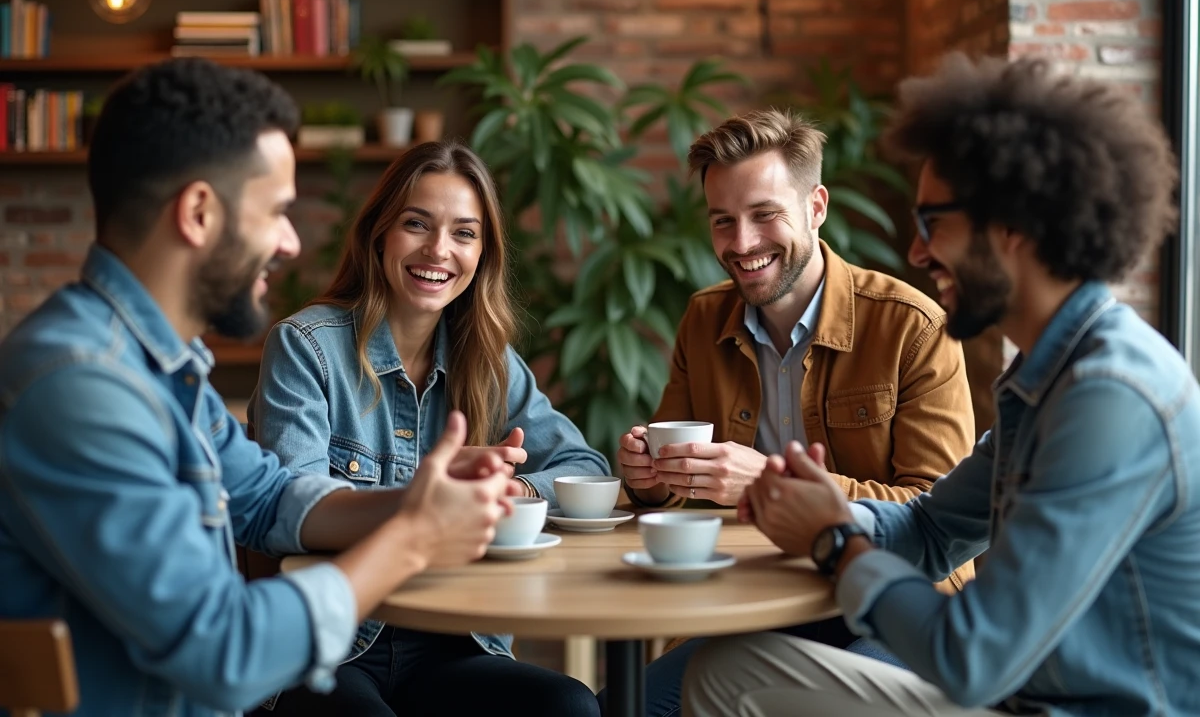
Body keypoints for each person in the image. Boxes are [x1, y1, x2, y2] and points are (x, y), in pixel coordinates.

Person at [683, 54, 1200, 717]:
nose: (918, 252)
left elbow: (974, 657)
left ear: (1009, 226)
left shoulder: (1111, 396)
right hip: (1017, 697)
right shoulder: (1044, 375)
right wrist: (831, 510)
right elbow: (933, 525)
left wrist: (835, 543)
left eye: (933, 224)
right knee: (728, 671)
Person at [0, 59, 521, 717]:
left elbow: (270, 498)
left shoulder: (161, 367)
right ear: (198, 213)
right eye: (275, 211)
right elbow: (225, 651)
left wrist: (418, 498)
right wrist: (414, 535)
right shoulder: (81, 388)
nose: (290, 240)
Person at [604, 108, 977, 716]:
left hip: (894, 606)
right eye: (723, 221)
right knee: (629, 707)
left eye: (764, 215)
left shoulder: (913, 329)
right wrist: (647, 479)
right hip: (749, 602)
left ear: (817, 206)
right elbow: (670, 489)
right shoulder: (704, 318)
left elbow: (940, 517)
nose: (742, 243)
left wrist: (775, 488)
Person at [248, 139, 607, 717]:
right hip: (330, 647)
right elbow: (294, 510)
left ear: (483, 253)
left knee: (569, 707)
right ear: (380, 234)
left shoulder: (488, 360)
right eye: (417, 224)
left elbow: (585, 467)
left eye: (464, 233)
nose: (439, 250)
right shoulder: (306, 346)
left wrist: (515, 491)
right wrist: (430, 500)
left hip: (455, 640)